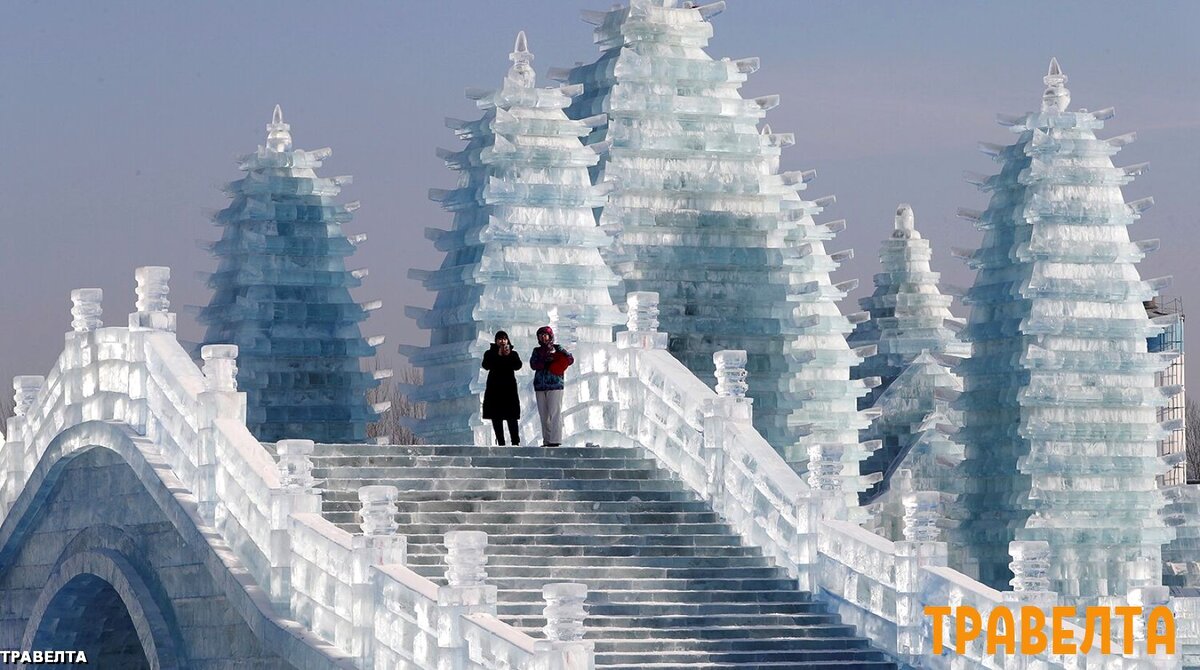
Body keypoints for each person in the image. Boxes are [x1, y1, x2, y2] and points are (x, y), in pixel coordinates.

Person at [529, 325, 573, 447]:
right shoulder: (537, 351)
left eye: (545, 335)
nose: (543, 337)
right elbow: (533, 364)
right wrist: (544, 361)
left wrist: (555, 360)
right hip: (540, 386)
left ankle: (555, 440)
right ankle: (547, 440)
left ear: (550, 336)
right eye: (541, 335)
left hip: (555, 385)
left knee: (555, 413)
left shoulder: (558, 348)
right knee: (544, 415)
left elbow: (569, 359)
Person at [481, 330, 522, 446]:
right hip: (494, 389)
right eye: (500, 339)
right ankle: (501, 442)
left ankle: (515, 441)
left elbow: (518, 365)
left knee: (511, 416)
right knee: (496, 416)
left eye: (504, 339)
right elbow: (486, 365)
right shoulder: (489, 353)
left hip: (509, 389)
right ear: (496, 341)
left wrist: (508, 355)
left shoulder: (513, 354)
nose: (502, 341)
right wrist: (498, 355)